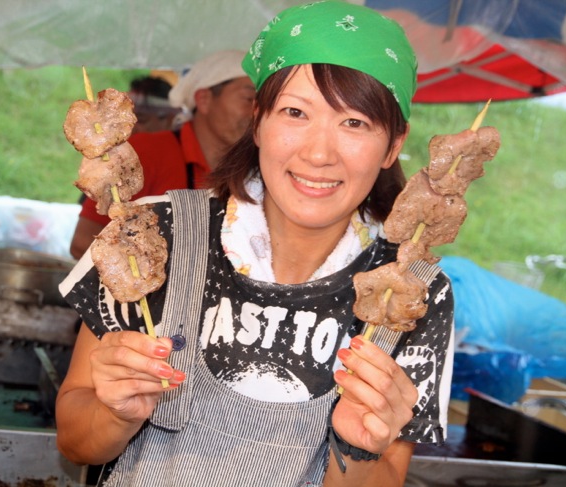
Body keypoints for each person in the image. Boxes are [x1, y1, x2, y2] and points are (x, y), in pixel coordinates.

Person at [56, 2, 454, 486]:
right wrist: (114, 415)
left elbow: (385, 475)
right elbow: (74, 441)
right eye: (295, 112)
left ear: (393, 144)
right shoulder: (151, 232)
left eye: (355, 123)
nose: (319, 153)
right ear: (258, 120)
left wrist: (359, 448)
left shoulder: (412, 292)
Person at [69, 49, 256, 259]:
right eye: (249, 99)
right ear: (203, 99)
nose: (258, 112)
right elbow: (84, 242)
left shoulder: (257, 172)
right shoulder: (143, 154)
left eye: (265, 104)